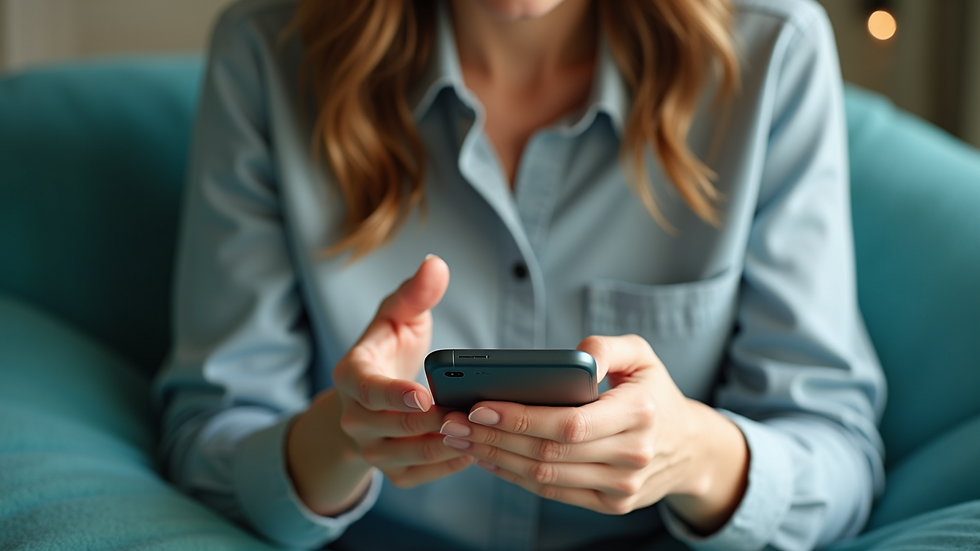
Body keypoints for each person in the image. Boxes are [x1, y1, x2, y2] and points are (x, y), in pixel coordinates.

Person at [155, 0, 887, 549]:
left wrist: (693, 455)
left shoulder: (770, 54)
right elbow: (206, 444)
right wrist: (344, 436)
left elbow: (838, 455)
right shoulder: (266, 54)